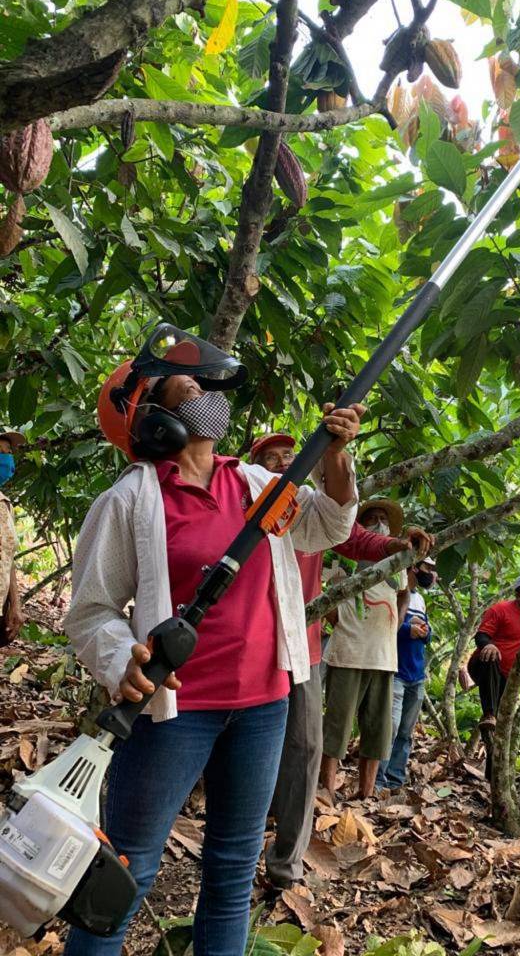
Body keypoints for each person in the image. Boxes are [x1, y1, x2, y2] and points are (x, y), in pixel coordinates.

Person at [63, 332, 362, 956]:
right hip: (176, 711)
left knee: (230, 870)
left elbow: (327, 526)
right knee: (127, 871)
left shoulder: (256, 484)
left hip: (263, 704)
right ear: (151, 414)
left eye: (204, 389)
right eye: (189, 390)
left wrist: (336, 457)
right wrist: (124, 659)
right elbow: (90, 614)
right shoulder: (130, 501)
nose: (205, 400)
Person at [249, 432, 432, 889]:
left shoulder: (308, 509)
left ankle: (284, 865)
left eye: (288, 457)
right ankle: (241, 842)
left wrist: (394, 549)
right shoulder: (243, 502)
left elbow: (353, 538)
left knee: (306, 746)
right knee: (248, 746)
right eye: (269, 459)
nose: (280, 464)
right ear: (253, 468)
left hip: (301, 646)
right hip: (248, 644)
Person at [320, 499, 413, 799]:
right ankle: (327, 790)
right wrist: (339, 620)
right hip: (349, 650)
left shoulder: (396, 562)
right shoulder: (345, 553)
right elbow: (325, 592)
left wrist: (396, 623)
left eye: (384, 518)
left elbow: (404, 594)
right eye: (372, 517)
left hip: (384, 656)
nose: (379, 522)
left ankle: (366, 793)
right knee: (337, 725)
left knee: (377, 730)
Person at [377, 557, 437, 790]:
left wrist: (423, 631)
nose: (431, 574)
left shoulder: (420, 599)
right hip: (396, 671)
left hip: (416, 674)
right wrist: (406, 630)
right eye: (428, 568)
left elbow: (427, 633)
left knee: (405, 733)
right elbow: (384, 625)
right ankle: (378, 781)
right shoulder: (393, 592)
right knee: (389, 729)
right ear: (413, 566)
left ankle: (395, 779)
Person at [467, 572, 520, 728]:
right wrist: (488, 644)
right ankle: (488, 713)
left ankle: (493, 741)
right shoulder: (500, 609)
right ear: (518, 593)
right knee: (492, 655)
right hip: (484, 664)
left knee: (502, 721)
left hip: (510, 675)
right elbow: (481, 635)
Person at [0, 430, 24, 646]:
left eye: (8, 453)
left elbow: (8, 557)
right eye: (1, 452)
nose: (7, 460)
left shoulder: (5, 504)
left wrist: (15, 603)